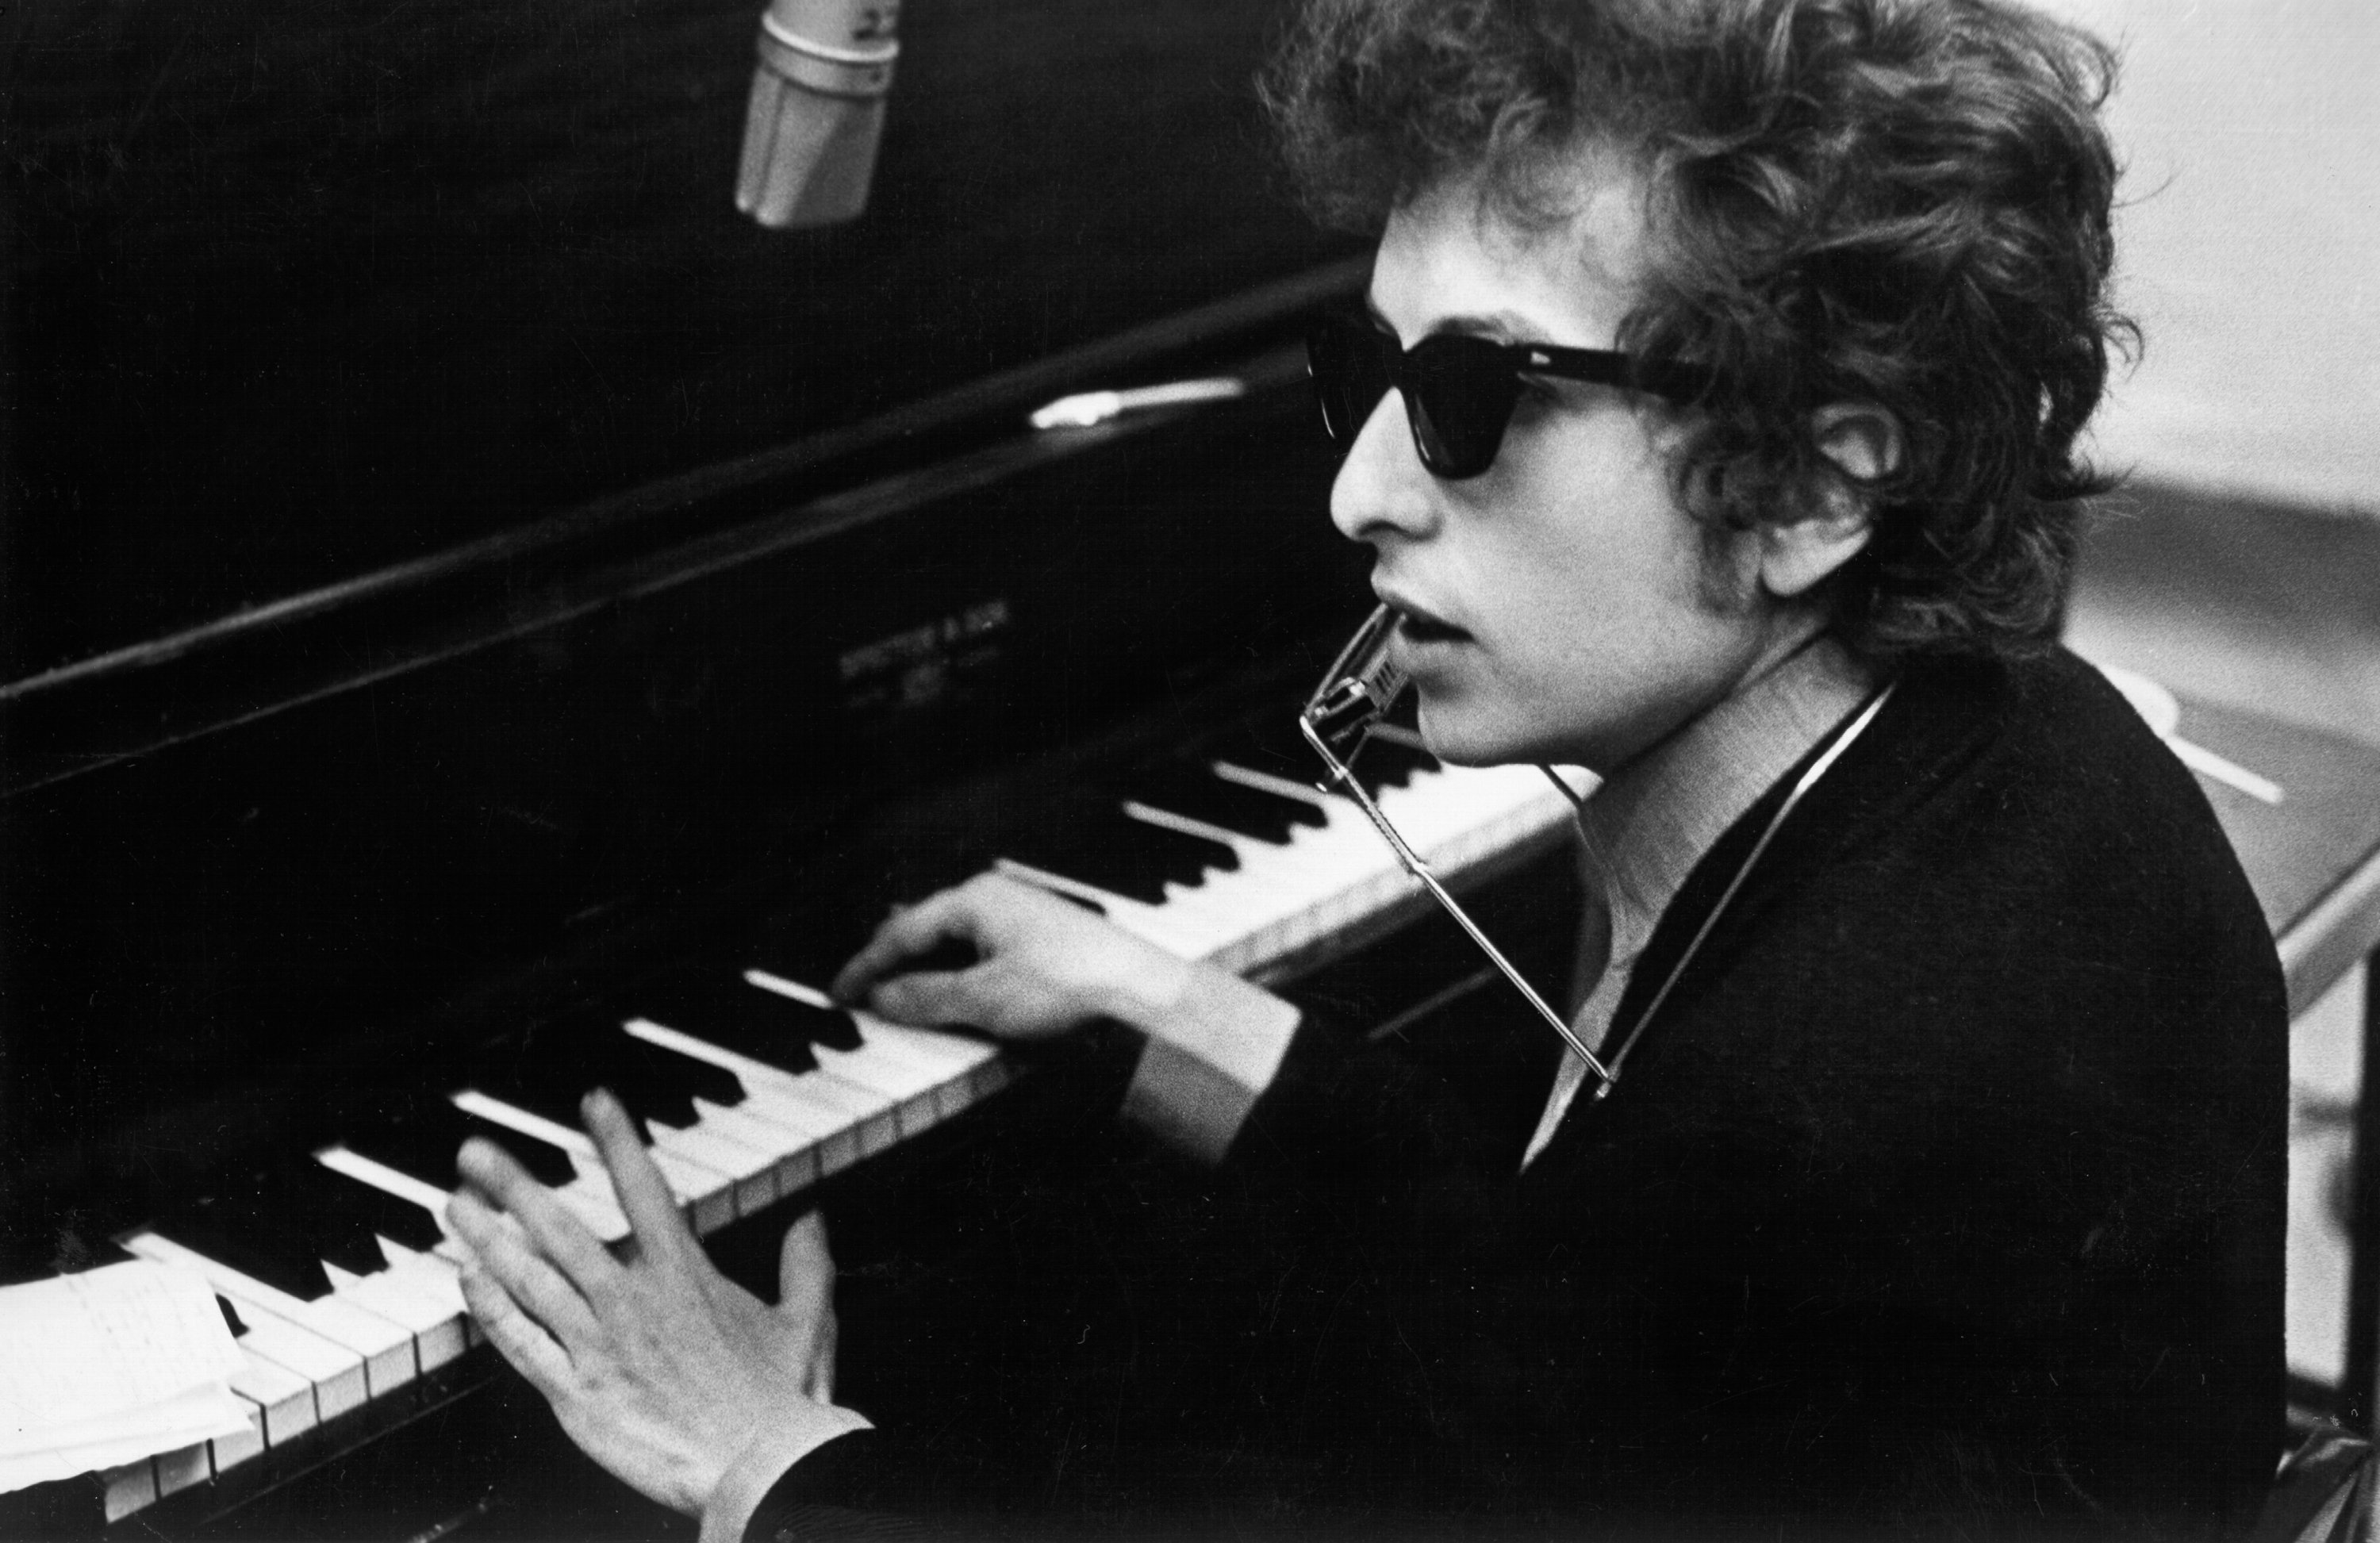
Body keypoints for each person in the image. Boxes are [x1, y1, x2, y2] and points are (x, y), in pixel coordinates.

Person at [445, 0, 2288, 1535]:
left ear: (1814, 484)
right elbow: (1556, 1296)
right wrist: (1162, 1007)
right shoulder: (1994, 753)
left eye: (1479, 401)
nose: (1360, 491)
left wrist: (767, 1459)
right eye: (1367, 370)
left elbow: (1604, 1319)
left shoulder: (1827, 1101)